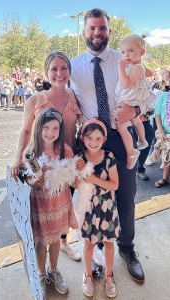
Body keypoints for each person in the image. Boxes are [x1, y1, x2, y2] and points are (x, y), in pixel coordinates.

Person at [70, 8, 151, 282]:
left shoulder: (125, 60)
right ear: (84, 32)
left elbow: (149, 97)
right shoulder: (73, 66)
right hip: (91, 144)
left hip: (120, 137)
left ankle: (127, 249)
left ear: (109, 31)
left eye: (101, 28)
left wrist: (136, 110)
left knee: (126, 198)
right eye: (92, 28)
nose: (97, 33)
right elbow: (66, 103)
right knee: (92, 200)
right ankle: (93, 253)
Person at [11, 51, 82, 262]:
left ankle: (63, 241)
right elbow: (26, 131)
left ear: (69, 71)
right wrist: (18, 158)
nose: (59, 73)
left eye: (64, 68)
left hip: (66, 164)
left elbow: (80, 126)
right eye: (54, 68)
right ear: (46, 72)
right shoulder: (35, 100)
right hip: (43, 165)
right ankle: (43, 251)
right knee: (44, 208)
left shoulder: (74, 97)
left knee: (64, 204)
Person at [24, 107, 78, 300]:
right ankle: (41, 274)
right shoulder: (31, 153)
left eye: (55, 128)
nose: (50, 132)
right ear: (38, 128)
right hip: (40, 204)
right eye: (46, 127)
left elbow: (73, 179)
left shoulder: (65, 150)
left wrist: (75, 169)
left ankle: (53, 270)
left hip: (59, 202)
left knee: (55, 238)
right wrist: (33, 181)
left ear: (60, 129)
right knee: (40, 240)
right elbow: (27, 178)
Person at [74, 118, 119, 298]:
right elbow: (77, 184)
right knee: (88, 243)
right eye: (89, 137)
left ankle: (109, 275)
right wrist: (81, 172)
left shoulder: (109, 158)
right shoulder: (80, 159)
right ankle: (88, 275)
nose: (93, 142)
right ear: (83, 137)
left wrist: (93, 179)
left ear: (104, 139)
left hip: (107, 208)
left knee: (108, 242)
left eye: (98, 138)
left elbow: (114, 185)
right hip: (89, 209)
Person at [115, 35, 150, 169]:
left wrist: (121, 68)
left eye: (130, 51)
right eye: (123, 52)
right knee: (135, 120)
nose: (126, 55)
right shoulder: (137, 66)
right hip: (131, 99)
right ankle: (142, 140)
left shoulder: (135, 68)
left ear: (141, 52)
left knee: (121, 127)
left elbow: (126, 84)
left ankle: (131, 153)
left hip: (129, 99)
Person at [145, 65, 170, 167]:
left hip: (165, 115)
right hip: (157, 114)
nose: (162, 75)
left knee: (166, 139)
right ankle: (152, 156)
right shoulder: (157, 85)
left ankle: (165, 159)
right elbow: (151, 97)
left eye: (164, 73)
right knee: (157, 136)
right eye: (162, 73)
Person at [150, 91, 170, 188]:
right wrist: (161, 131)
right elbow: (157, 114)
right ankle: (165, 178)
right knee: (166, 157)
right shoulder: (164, 97)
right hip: (166, 135)